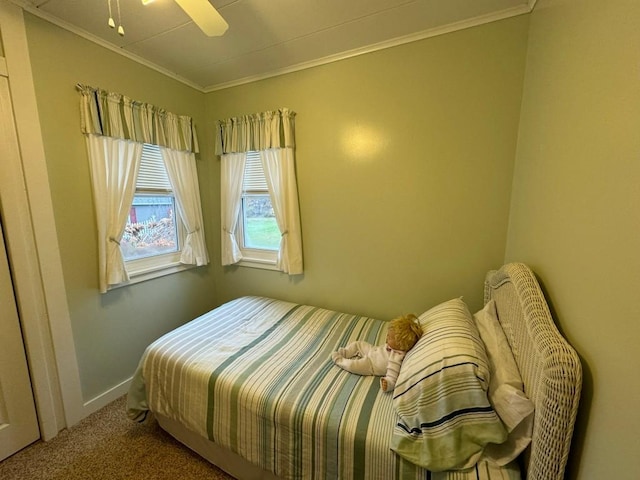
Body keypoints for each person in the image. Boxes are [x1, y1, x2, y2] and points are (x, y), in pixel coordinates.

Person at [331, 314, 422, 392]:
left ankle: (339, 360)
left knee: (353, 365)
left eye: (389, 337)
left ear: (400, 344)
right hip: (373, 350)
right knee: (358, 344)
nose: (387, 337)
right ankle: (345, 352)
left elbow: (392, 376)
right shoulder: (394, 346)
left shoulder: (396, 358)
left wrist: (388, 384)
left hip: (371, 365)